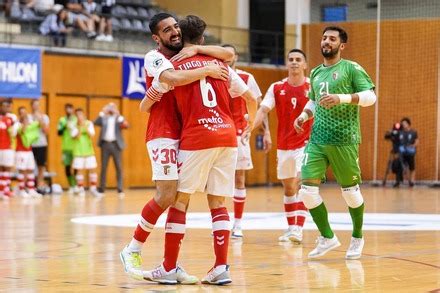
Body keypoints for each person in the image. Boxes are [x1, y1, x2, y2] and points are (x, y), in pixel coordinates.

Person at [142, 14, 257, 285]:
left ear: (181, 36)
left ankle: (169, 266)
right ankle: (220, 267)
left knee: (180, 201)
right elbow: (251, 97)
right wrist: (246, 127)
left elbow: (154, 97)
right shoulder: (221, 65)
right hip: (228, 136)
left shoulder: (176, 62)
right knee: (218, 202)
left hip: (197, 136)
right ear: (203, 39)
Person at [119, 12, 234, 282]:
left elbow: (226, 53)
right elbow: (169, 81)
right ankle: (133, 248)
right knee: (169, 196)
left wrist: (198, 49)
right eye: (167, 30)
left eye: (175, 27)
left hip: (188, 133)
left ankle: (171, 266)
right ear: (156, 37)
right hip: (163, 133)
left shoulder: (187, 55)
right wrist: (206, 68)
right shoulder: (155, 57)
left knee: (178, 198)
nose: (173, 32)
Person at [294, 26, 377, 260]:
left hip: (345, 140)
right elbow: (313, 101)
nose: (326, 41)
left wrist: (341, 98)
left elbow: (371, 97)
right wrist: (303, 115)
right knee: (307, 192)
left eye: (332, 39)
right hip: (318, 139)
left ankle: (358, 237)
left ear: (341, 45)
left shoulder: (351, 68)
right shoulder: (316, 73)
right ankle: (328, 237)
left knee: (350, 193)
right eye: (324, 38)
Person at [254, 49, 312, 244]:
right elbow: (263, 110)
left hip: (306, 144)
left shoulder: (312, 86)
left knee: (302, 183)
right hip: (284, 145)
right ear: (287, 64)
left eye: (298, 60)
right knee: (288, 188)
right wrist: (250, 128)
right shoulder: (277, 87)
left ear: (305, 65)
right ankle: (290, 228)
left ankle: (298, 229)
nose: (294, 62)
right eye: (291, 60)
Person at [221, 44, 263, 239]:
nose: (228, 57)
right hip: (219, 134)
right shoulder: (214, 76)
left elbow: (258, 105)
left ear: (236, 56)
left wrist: (260, 129)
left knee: (239, 179)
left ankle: (237, 224)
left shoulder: (247, 78)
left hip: (239, 134)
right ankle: (220, 222)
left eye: (231, 53)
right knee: (219, 182)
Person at [94, 102, 128, 196]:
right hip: (105, 145)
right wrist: (102, 112)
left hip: (116, 145)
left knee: (118, 167)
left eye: (113, 107)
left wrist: (118, 114)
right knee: (103, 167)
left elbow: (126, 125)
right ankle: (101, 189)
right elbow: (95, 122)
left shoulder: (118, 118)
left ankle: (120, 189)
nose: (111, 109)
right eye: (110, 107)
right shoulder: (104, 118)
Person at [70, 108, 100, 197]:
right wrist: (79, 126)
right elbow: (76, 136)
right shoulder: (73, 125)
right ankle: (80, 188)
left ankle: (93, 188)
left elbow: (91, 135)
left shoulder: (89, 123)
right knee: (79, 170)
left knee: (92, 168)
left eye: (81, 115)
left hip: (88, 150)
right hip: (78, 151)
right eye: (77, 115)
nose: (79, 117)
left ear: (83, 115)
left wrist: (85, 127)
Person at [15, 107, 42, 198]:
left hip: (29, 151)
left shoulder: (30, 124)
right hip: (20, 151)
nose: (24, 114)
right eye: (21, 113)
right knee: (22, 171)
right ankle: (21, 190)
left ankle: (31, 189)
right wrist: (25, 123)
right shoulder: (17, 124)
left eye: (25, 112)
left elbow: (39, 124)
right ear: (19, 114)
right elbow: (21, 131)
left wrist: (39, 116)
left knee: (30, 169)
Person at [29, 100, 50, 195]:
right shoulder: (28, 117)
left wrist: (40, 119)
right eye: (34, 105)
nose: (36, 106)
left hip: (41, 144)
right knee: (29, 166)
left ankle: (39, 185)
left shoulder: (44, 117)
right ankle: (30, 186)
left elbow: (46, 131)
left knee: (41, 166)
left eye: (38, 105)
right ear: (31, 106)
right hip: (30, 144)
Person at [57, 103, 77, 193]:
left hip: (76, 147)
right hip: (66, 147)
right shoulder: (62, 120)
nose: (68, 110)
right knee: (67, 167)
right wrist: (65, 126)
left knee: (77, 166)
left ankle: (76, 184)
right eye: (67, 109)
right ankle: (71, 185)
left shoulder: (76, 120)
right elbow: (59, 133)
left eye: (70, 108)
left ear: (73, 109)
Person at [0, 99, 18, 199]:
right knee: (0, 169)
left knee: (7, 169)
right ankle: (2, 190)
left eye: (7, 106)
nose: (6, 108)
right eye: (4, 106)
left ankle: (5, 190)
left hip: (7, 147)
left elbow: (14, 133)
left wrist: (15, 124)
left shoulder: (11, 118)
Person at [395, 117, 418, 187]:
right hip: (402, 152)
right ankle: (405, 181)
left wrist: (413, 146)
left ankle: (412, 181)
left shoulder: (413, 132)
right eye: (402, 124)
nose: (403, 125)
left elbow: (417, 142)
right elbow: (397, 142)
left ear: (408, 124)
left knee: (412, 167)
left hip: (410, 152)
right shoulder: (400, 132)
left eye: (405, 123)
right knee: (402, 166)